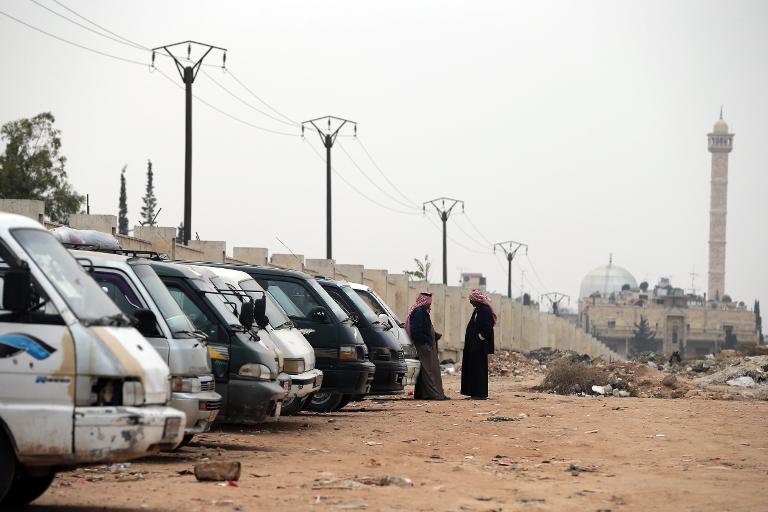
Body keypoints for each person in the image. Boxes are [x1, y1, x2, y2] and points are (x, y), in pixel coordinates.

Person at [406, 292, 449, 400]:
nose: (430, 305)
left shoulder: (421, 312)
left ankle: (422, 394)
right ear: (424, 302)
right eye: (429, 303)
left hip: (426, 345)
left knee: (426, 371)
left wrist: (433, 336)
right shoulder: (419, 312)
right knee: (430, 371)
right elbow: (416, 331)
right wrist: (426, 342)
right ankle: (434, 394)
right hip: (424, 346)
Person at [460, 289, 497, 400]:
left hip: (479, 346)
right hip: (473, 346)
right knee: (472, 369)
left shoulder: (485, 310)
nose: (470, 302)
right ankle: (473, 392)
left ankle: (480, 394)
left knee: (479, 370)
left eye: (472, 300)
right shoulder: (478, 309)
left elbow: (487, 328)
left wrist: (479, 338)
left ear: (476, 300)